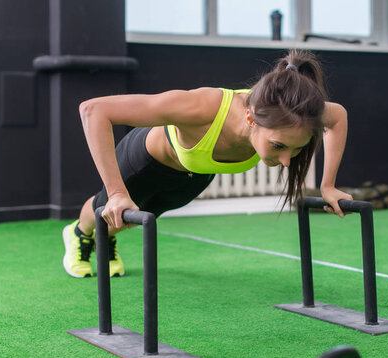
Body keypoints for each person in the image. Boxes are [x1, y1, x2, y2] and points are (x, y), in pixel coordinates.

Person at [62, 49, 353, 278]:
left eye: (296, 149)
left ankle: (107, 238)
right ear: (251, 119)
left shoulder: (298, 112)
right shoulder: (202, 107)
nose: (287, 161)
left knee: (130, 222)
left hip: (194, 176)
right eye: (278, 146)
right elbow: (94, 110)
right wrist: (115, 193)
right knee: (106, 212)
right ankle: (78, 233)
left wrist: (328, 186)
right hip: (145, 163)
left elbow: (337, 116)